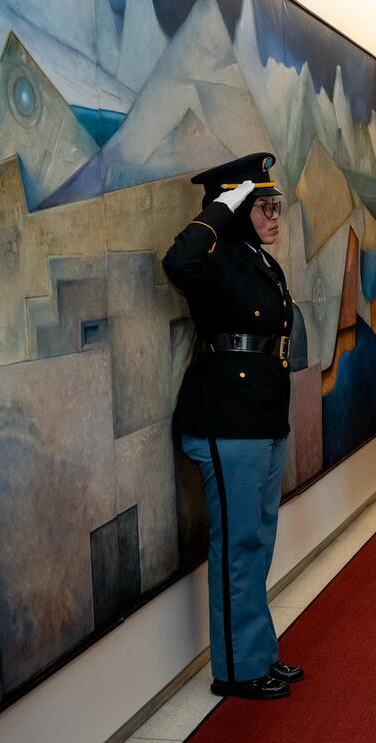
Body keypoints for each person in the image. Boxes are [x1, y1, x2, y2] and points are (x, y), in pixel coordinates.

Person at [163, 153, 303, 701]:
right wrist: (222, 208)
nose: (273, 217)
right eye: (262, 206)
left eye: (275, 206)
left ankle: (258, 654)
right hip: (226, 417)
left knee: (258, 539)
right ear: (237, 208)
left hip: (261, 413)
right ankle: (237, 671)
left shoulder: (256, 259)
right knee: (237, 544)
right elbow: (178, 262)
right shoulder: (214, 256)